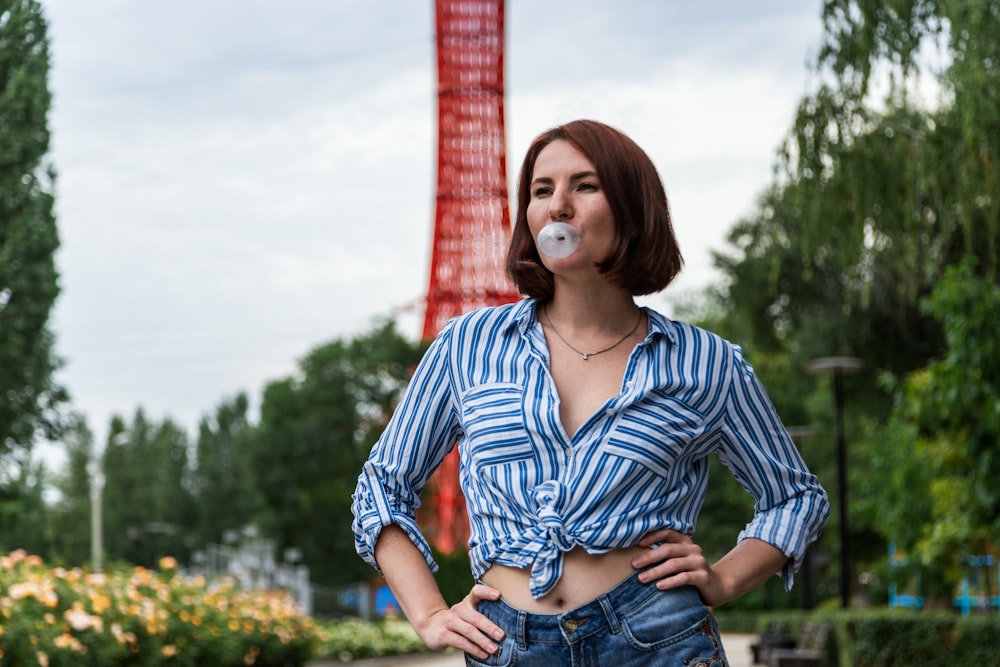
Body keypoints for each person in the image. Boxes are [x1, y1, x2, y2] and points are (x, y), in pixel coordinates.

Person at [352, 119, 830, 666]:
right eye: (540, 190)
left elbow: (795, 498)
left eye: (584, 185)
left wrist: (721, 578)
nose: (557, 205)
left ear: (631, 208)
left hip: (658, 638)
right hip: (509, 644)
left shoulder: (706, 363)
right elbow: (382, 486)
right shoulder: (469, 346)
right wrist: (430, 614)